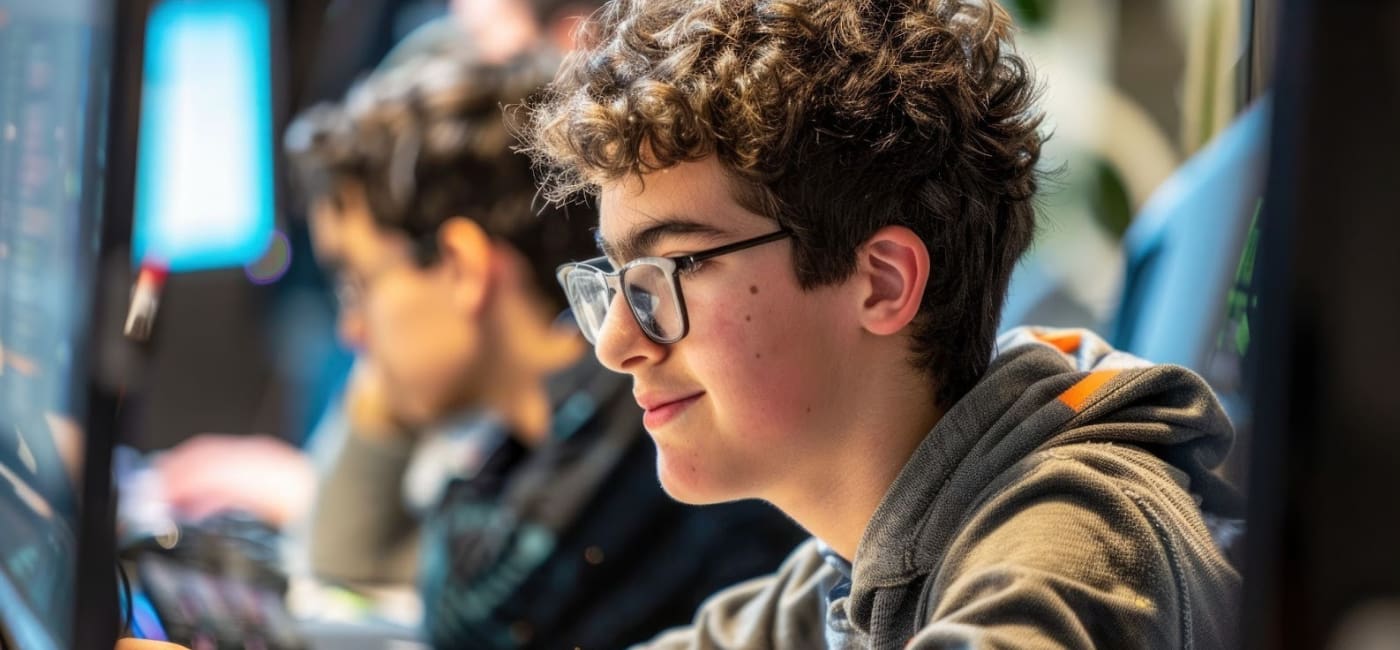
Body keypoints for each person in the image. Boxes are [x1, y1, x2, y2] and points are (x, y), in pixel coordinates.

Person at [522, 0, 1243, 647]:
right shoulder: (849, 576)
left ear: (883, 282)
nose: (615, 344)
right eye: (618, 282)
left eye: (670, 270)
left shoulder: (1068, 556)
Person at [284, 47, 806, 649]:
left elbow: (470, 618)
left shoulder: (634, 427)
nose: (351, 329)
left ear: (460, 266)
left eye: (358, 283)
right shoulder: (540, 437)